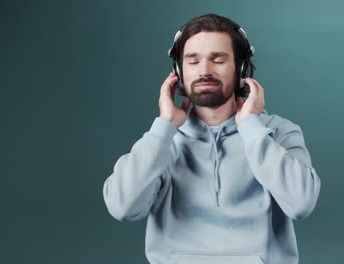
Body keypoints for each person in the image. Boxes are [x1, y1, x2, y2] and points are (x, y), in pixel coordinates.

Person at [103, 13, 321, 264]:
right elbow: (122, 207)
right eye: (192, 61)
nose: (204, 71)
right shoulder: (161, 140)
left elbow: (301, 204)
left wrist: (251, 127)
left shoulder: (278, 132)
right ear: (178, 71)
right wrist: (163, 128)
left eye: (217, 59)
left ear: (241, 69)